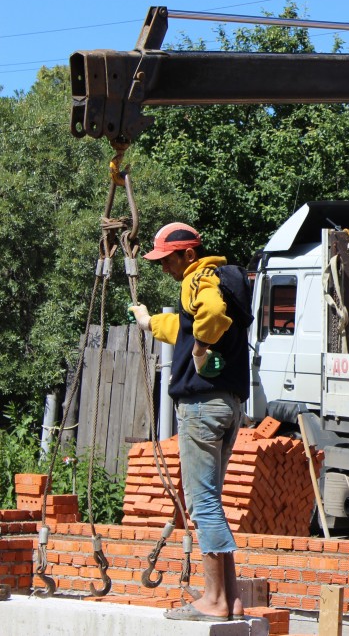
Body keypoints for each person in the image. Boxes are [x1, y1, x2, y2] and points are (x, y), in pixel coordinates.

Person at [130, 222, 253, 622]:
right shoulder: (227, 281)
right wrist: (150, 323)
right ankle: (230, 599)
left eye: (168, 260)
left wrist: (202, 344)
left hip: (201, 406)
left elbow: (208, 318)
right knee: (211, 502)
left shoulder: (199, 277)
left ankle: (214, 600)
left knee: (202, 504)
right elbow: (184, 327)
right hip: (228, 404)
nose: (165, 268)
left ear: (188, 254)